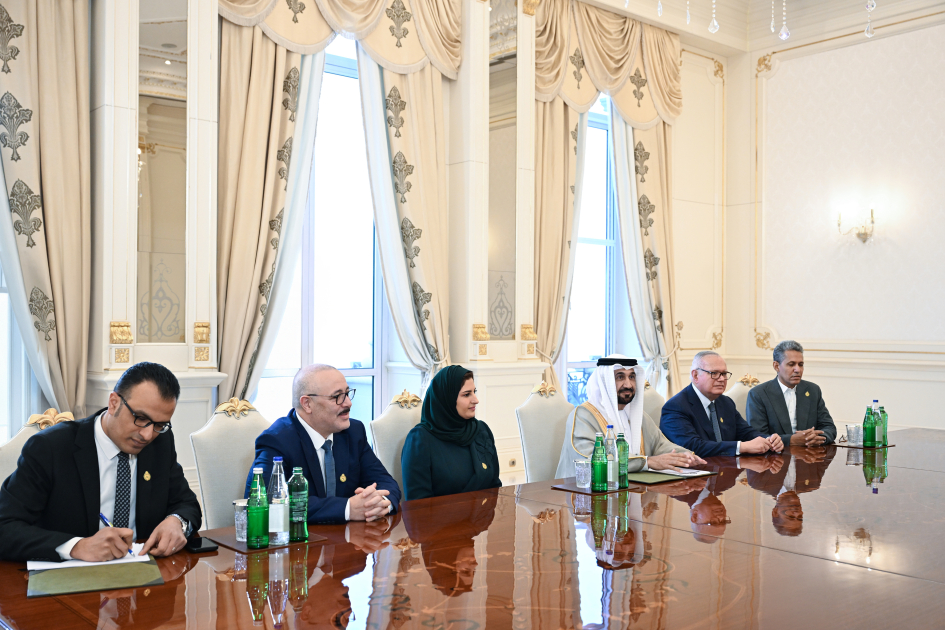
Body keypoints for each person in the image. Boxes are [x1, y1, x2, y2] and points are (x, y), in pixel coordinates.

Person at [0, 362, 202, 562]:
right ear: (114, 403)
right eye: (141, 418)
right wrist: (76, 546)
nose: (148, 434)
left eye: (160, 424)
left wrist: (177, 522)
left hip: (143, 572)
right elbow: (5, 526)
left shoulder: (161, 442)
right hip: (70, 576)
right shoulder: (50, 448)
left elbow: (186, 503)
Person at [246, 364, 400, 523]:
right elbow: (266, 502)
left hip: (351, 535)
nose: (348, 403)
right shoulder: (277, 441)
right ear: (307, 404)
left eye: (347, 393)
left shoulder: (353, 432)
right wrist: (347, 508)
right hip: (301, 537)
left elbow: (387, 483)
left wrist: (379, 503)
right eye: (337, 396)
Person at [555, 356, 705, 479]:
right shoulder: (584, 415)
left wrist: (685, 456)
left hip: (632, 489)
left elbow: (660, 445)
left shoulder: (637, 415)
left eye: (632, 377)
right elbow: (591, 458)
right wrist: (646, 462)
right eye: (620, 377)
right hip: (585, 494)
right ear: (605, 381)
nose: (628, 384)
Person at [401, 365, 501, 501]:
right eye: (467, 394)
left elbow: (495, 487)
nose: (476, 400)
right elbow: (418, 504)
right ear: (447, 398)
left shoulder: (481, 431)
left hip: (484, 514)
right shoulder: (419, 440)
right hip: (441, 515)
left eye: (474, 392)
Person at [660, 351, 784, 458]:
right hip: (693, 473)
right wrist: (741, 447)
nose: (721, 379)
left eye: (724, 373)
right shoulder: (676, 407)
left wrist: (769, 440)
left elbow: (746, 432)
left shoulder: (726, 402)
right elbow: (692, 447)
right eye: (714, 373)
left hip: (727, 471)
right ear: (695, 375)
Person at [403, 491, 498, 598]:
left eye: (466, 571)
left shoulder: (421, 529)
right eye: (473, 571)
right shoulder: (482, 522)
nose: (475, 564)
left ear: (447, 563)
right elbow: (491, 486)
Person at [747, 340, 837, 447]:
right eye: (791, 364)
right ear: (776, 366)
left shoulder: (813, 390)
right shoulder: (759, 394)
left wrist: (817, 438)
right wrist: (791, 440)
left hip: (809, 454)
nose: (797, 369)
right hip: (775, 455)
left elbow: (829, 427)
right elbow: (758, 436)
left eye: (801, 364)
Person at [748, 447, 835, 537]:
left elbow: (752, 448)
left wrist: (789, 443)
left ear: (775, 512)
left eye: (791, 516)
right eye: (800, 517)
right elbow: (831, 451)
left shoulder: (758, 482)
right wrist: (815, 445)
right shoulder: (813, 483)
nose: (797, 513)